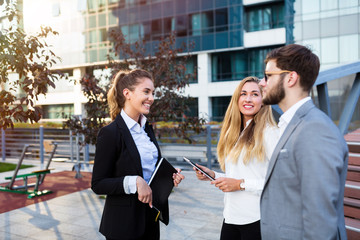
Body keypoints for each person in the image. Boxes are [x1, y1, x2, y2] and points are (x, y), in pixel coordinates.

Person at [259, 44, 348, 240]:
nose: (262, 83)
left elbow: (320, 223)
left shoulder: (315, 129)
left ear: (290, 78)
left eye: (268, 76)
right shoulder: (293, 124)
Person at [91, 69, 185, 240]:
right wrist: (134, 182)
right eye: (146, 92)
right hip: (123, 226)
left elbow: (149, 169)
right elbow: (98, 184)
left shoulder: (147, 129)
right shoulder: (110, 133)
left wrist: (168, 175)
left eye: (153, 93)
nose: (152, 98)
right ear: (127, 93)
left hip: (150, 218)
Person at [193, 76, 278, 240]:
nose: (248, 99)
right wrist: (213, 174)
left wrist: (240, 184)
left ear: (263, 100)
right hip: (231, 218)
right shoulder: (236, 133)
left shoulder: (270, 133)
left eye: (254, 94)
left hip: (257, 220)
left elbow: (278, 183)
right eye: (243, 93)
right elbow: (238, 176)